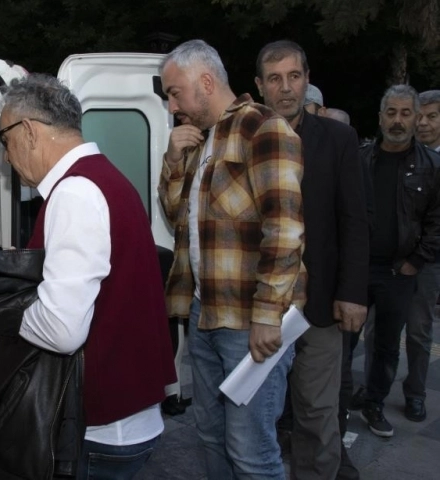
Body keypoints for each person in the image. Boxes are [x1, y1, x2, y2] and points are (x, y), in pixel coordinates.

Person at [0, 74, 176, 479]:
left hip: (100, 429)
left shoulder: (74, 192)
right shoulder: (104, 178)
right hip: (128, 417)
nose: (5, 156)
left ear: (27, 131)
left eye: (3, 140)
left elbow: (61, 330)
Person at [159, 39, 306, 479]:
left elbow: (285, 230)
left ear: (206, 82)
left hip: (249, 322)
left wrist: (267, 315)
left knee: (251, 452)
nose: (172, 105)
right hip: (205, 315)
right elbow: (174, 218)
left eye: (174, 92)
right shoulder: (204, 142)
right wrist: (172, 159)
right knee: (210, 437)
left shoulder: (264, 128)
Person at [254, 40, 369, 480]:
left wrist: (352, 294)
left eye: (294, 76)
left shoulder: (339, 139)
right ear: (261, 86)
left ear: (306, 79)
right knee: (256, 416)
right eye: (275, 79)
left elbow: (354, 221)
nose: (286, 88)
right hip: (261, 307)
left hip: (319, 306)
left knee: (318, 416)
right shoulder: (246, 136)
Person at [357, 84, 440, 437]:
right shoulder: (359, 158)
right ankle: (341, 401)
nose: (398, 120)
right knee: (344, 342)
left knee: (390, 344)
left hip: (399, 271)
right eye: (391, 113)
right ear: (380, 117)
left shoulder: (432, 166)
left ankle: (375, 404)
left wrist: (415, 262)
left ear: (416, 118)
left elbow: (438, 221)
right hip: (356, 269)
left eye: (406, 113)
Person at [399, 89, 440, 423]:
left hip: (426, 263)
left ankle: (415, 393)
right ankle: (373, 387)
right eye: (420, 116)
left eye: (432, 116)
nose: (424, 123)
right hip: (389, 261)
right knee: (376, 329)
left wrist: (417, 259)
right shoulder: (398, 154)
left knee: (418, 330)